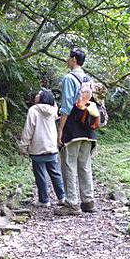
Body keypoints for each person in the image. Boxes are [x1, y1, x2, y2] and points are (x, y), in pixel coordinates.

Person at [55, 48, 98, 216]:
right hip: (88, 127)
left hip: (73, 127)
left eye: (69, 57)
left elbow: (66, 106)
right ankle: (88, 201)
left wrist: (60, 129)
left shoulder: (69, 78)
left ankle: (72, 204)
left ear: (73, 59)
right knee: (85, 165)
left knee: (69, 164)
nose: (67, 59)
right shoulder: (89, 79)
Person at [19, 89, 66, 207]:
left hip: (37, 147)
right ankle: (62, 197)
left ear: (42, 98)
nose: (36, 96)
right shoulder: (53, 110)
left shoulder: (33, 110)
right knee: (55, 173)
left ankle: (44, 200)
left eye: (38, 95)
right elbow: (55, 107)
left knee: (40, 175)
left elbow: (28, 129)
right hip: (51, 147)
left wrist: (23, 146)